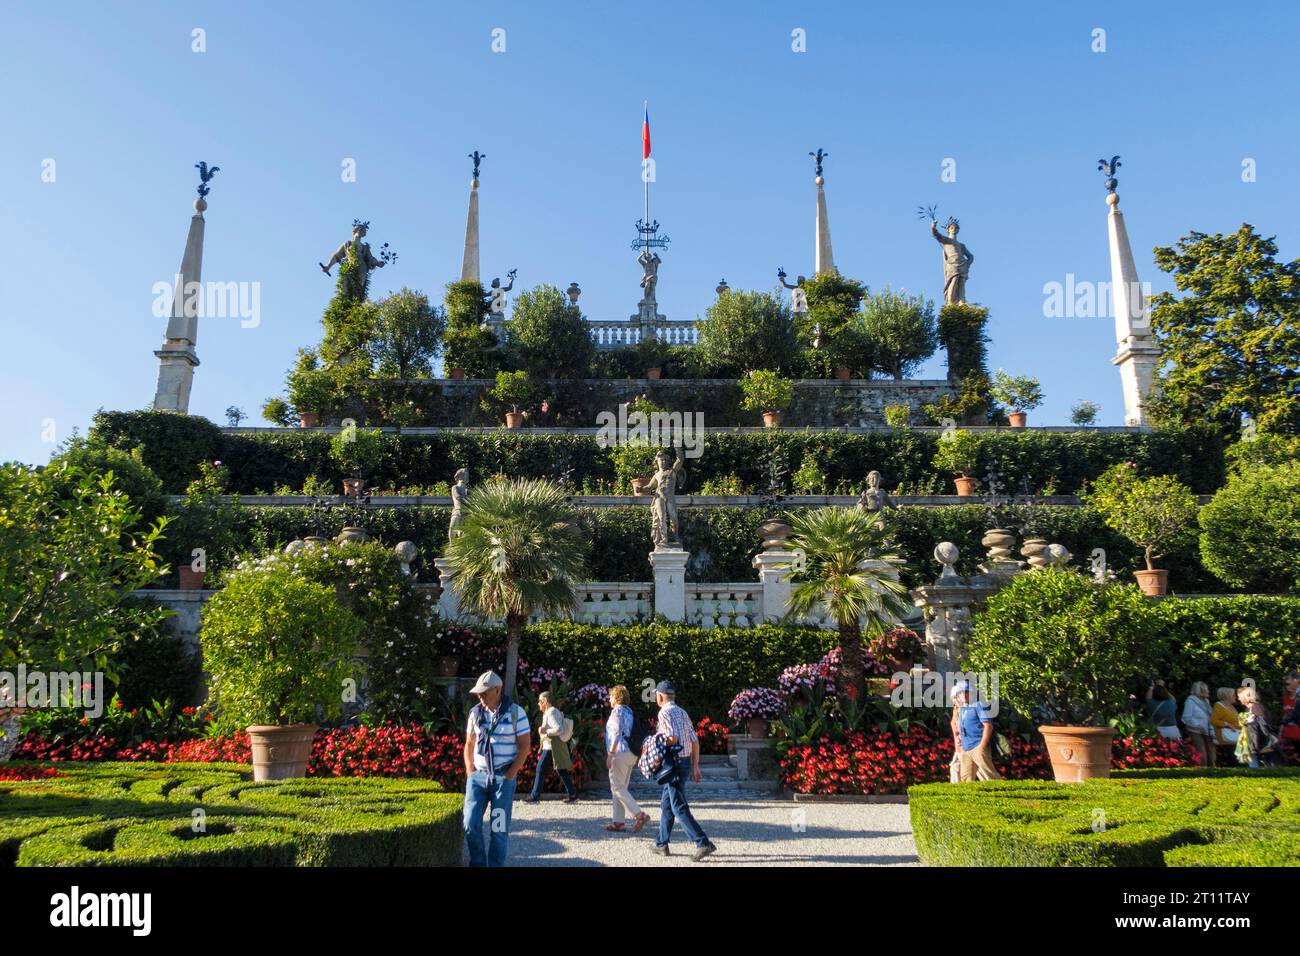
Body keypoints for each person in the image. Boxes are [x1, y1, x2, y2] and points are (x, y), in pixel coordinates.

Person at [462, 670, 531, 867]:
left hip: (502, 779)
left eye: (484, 693)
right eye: (479, 693)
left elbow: (525, 746)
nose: (480, 697)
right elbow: (469, 744)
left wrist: (510, 775)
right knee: (470, 824)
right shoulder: (475, 713)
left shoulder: (517, 713)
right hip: (478, 778)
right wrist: (470, 772)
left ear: (498, 690)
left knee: (498, 828)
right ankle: (478, 863)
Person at [650, 680, 717, 861]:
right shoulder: (682, 712)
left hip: (673, 766)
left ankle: (702, 842)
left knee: (678, 807)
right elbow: (694, 740)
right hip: (685, 763)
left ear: (660, 696)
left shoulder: (664, 712)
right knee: (667, 805)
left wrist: (655, 742)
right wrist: (695, 765)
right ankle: (661, 844)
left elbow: (673, 737)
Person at [604, 685, 650, 833]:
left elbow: (617, 734)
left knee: (616, 787)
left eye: (611, 696)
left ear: (616, 697)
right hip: (631, 753)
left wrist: (610, 755)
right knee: (621, 787)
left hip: (619, 753)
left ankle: (639, 814)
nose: (609, 698)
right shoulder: (630, 712)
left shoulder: (616, 712)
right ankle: (618, 822)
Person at [524, 691, 578, 804]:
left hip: (552, 747)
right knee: (561, 769)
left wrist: (545, 731)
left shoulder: (551, 712)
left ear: (545, 701)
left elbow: (559, 729)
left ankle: (535, 796)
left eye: (540, 701)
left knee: (540, 768)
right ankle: (573, 795)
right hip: (553, 746)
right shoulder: (551, 712)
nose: (538, 703)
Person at [954, 681, 1001, 782]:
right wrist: (959, 737)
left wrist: (982, 747)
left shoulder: (979, 705)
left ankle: (1002, 795)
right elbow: (963, 726)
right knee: (966, 780)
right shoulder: (962, 708)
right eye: (961, 693)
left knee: (990, 777)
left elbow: (988, 726)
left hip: (977, 746)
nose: (964, 695)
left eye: (966, 692)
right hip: (966, 749)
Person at [1236, 684, 1283, 769]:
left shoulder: (1255, 707)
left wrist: (1246, 722)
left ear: (1246, 696)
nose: (1238, 698)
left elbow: (1259, 724)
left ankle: (1255, 773)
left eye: (1239, 696)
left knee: (1255, 760)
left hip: (1258, 738)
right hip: (1256, 737)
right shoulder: (1255, 706)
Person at [1181, 681, 1215, 768]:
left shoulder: (1206, 701)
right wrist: (1198, 725)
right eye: (1206, 690)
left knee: (1211, 752)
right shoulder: (1190, 701)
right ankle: (1203, 772)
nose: (1208, 691)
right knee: (1202, 752)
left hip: (1208, 730)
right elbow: (1186, 718)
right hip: (1196, 731)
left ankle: (1212, 771)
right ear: (1200, 690)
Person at [1211, 686, 1241, 764]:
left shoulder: (1231, 707)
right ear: (1227, 696)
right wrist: (1227, 724)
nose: (1235, 697)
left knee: (1237, 757)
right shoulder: (1219, 706)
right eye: (1233, 695)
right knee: (1234, 757)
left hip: (1235, 734)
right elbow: (1214, 721)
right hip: (1226, 736)